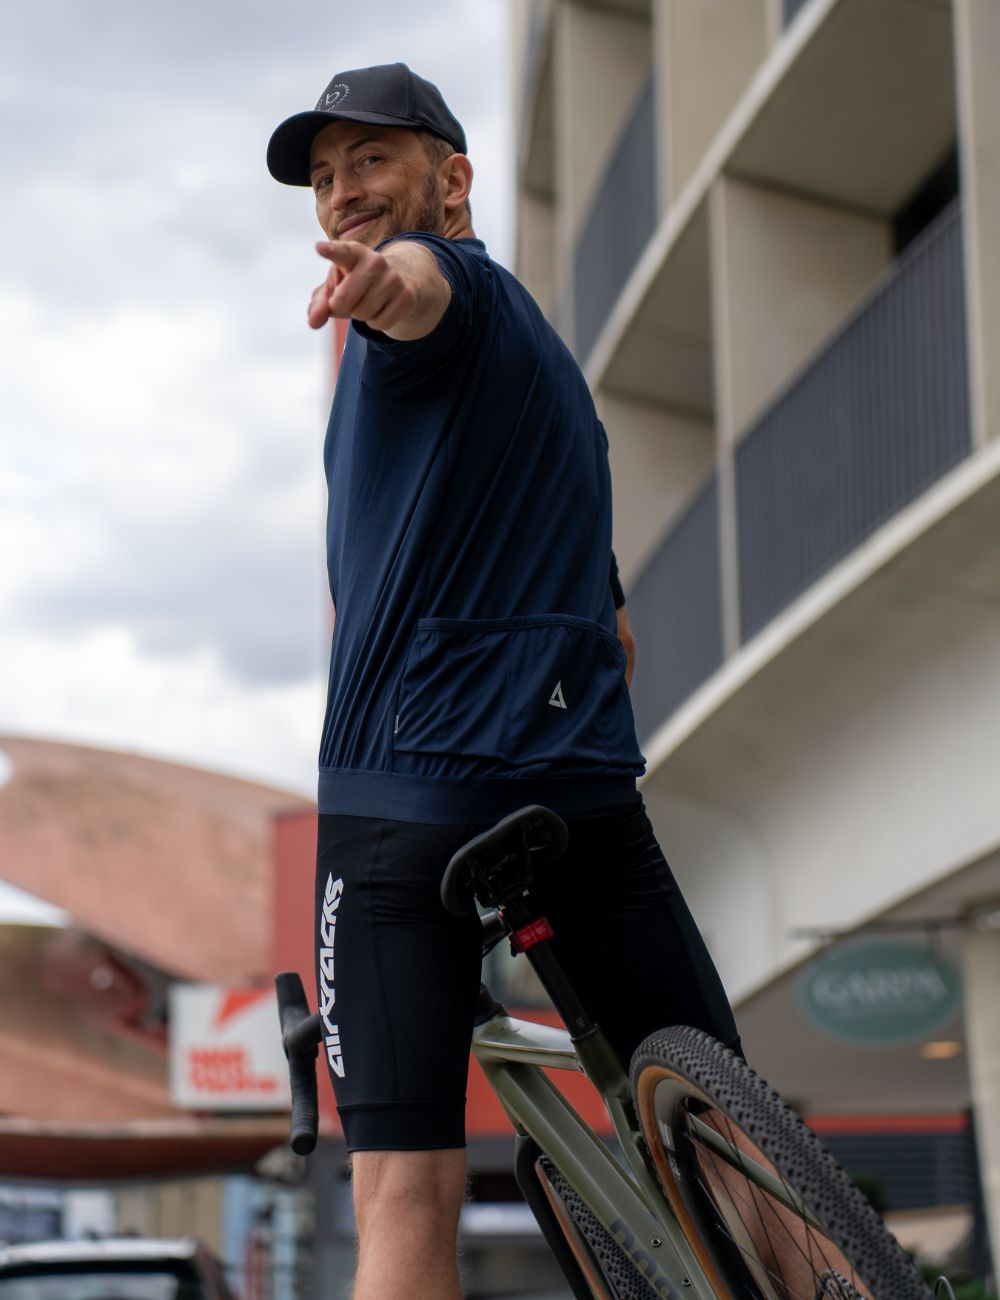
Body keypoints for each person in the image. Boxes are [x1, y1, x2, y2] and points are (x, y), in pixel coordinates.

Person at [267, 63, 741, 1300]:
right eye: (324, 177)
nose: (343, 191)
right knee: (731, 1146)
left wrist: (385, 286)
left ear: (454, 178)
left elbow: (423, 289)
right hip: (579, 790)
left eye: (371, 159)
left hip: (399, 811)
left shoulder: (445, 295)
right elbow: (616, 629)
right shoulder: (544, 384)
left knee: (401, 1190)